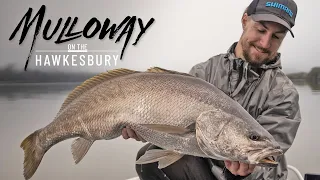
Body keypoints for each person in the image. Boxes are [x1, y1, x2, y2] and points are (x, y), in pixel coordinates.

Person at [122, 0, 302, 179]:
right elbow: (174, 130)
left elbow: (268, 159)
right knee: (150, 156)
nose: (265, 43)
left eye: (277, 36)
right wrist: (145, 129)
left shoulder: (284, 93)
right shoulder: (203, 72)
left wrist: (248, 172)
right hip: (204, 169)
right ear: (245, 20)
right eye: (261, 30)